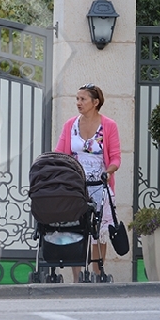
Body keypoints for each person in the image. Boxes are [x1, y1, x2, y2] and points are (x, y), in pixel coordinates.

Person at [54, 83, 121, 282]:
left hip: (100, 185)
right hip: (76, 186)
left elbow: (116, 157)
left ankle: (97, 273)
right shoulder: (70, 125)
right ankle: (77, 277)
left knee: (99, 231)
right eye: (77, 99)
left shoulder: (109, 126)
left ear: (95, 102)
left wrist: (109, 172)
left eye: (83, 99)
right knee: (76, 229)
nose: (78, 103)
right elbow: (60, 153)